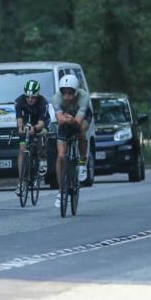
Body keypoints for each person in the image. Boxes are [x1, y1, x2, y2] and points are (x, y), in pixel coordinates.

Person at [53, 73, 92, 208]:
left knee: (80, 130)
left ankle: (82, 162)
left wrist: (72, 120)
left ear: (76, 92)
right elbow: (59, 120)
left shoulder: (84, 97)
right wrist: (65, 120)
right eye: (64, 93)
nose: (67, 96)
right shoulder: (56, 98)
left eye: (70, 93)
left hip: (82, 117)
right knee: (61, 156)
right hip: (65, 119)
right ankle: (60, 191)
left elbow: (78, 121)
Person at [14, 79, 51, 196]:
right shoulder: (19, 101)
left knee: (42, 134)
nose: (30, 99)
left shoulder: (43, 102)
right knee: (22, 148)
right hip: (27, 122)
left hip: (41, 122)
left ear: (38, 95)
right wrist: (21, 129)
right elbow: (19, 119)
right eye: (28, 97)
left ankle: (43, 160)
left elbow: (41, 123)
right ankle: (21, 182)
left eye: (33, 97)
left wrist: (34, 129)